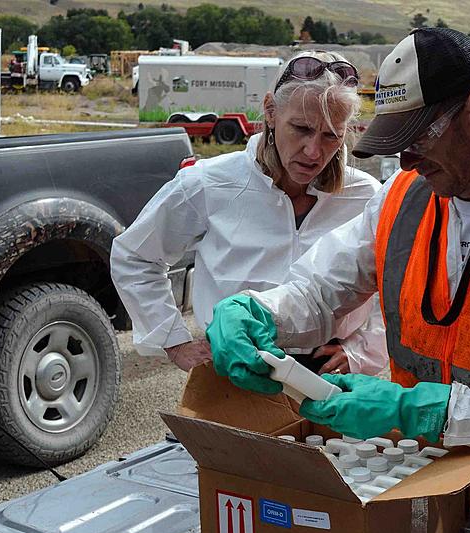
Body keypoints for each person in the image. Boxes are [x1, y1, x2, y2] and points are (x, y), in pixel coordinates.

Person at [205, 28, 470, 519]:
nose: (404, 160)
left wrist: (418, 412)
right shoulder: (403, 196)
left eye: (417, 137)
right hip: (413, 488)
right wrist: (259, 311)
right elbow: (321, 290)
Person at [111, 51, 387, 376]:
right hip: (234, 369)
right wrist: (174, 342)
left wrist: (363, 349)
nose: (313, 151)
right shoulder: (209, 182)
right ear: (271, 112)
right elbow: (135, 257)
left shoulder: (366, 196)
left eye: (331, 136)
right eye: (300, 128)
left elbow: (395, 285)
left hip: (329, 377)